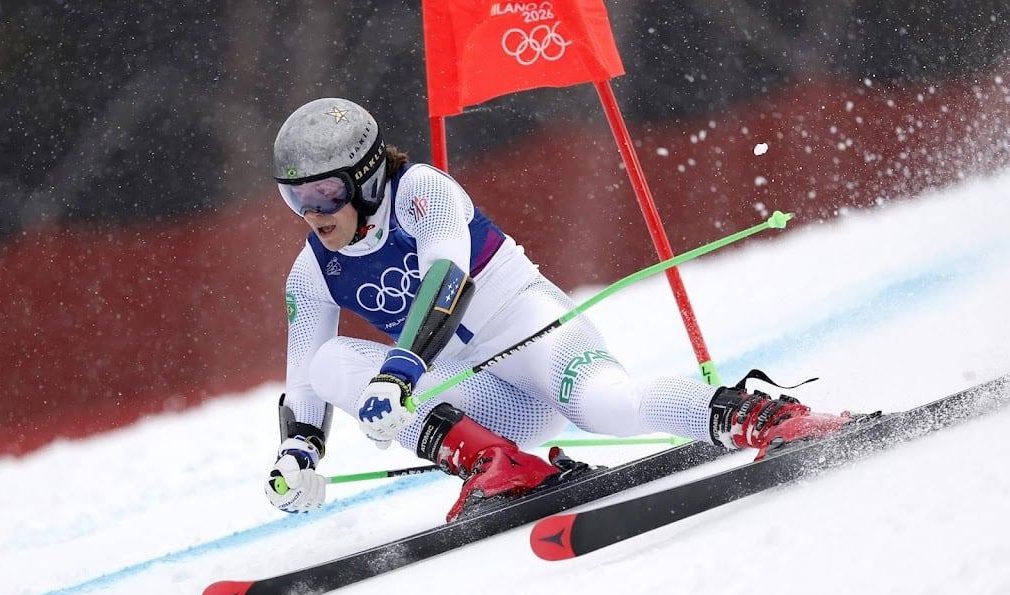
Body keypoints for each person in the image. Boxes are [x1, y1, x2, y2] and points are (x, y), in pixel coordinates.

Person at [263, 98, 852, 521]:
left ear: (366, 180)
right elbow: (303, 376)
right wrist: (298, 455)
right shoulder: (313, 269)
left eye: (326, 193)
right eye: (297, 198)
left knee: (605, 407)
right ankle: (497, 465)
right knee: (330, 363)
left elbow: (447, 276)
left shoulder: (422, 190)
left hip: (532, 333)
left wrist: (398, 377)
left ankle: (766, 418)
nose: (313, 212)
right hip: (491, 400)